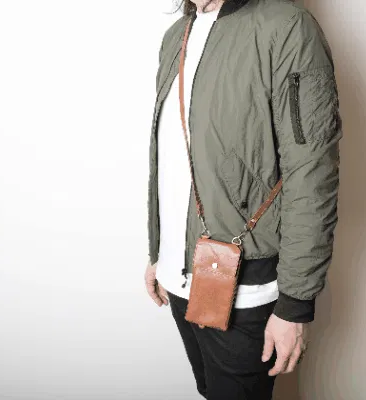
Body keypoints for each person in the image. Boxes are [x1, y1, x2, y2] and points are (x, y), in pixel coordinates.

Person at [144, 0, 342, 398]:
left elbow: (312, 171)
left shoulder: (286, 28)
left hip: (245, 287)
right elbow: (175, 159)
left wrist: (295, 303)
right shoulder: (176, 36)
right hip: (180, 279)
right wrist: (159, 253)